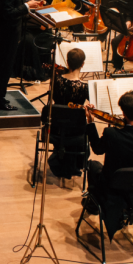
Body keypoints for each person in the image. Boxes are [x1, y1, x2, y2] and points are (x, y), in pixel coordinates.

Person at [81, 92, 133, 241]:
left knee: (93, 165)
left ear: (123, 112)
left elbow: (97, 149)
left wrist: (90, 123)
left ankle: (92, 204)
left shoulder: (112, 134)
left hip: (111, 189)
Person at [46, 48, 89, 179]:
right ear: (83, 64)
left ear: (67, 63)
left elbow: (53, 100)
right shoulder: (84, 87)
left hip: (56, 128)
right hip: (75, 132)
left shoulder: (56, 80)